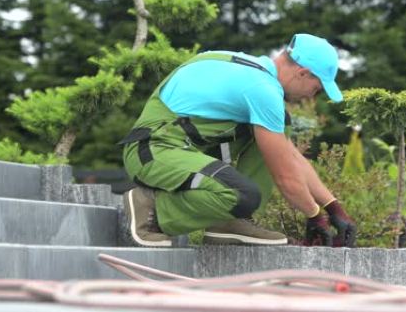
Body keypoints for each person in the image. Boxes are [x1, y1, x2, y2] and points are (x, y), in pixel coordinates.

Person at [119, 33, 357, 247]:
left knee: (276, 127)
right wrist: (315, 216)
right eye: (316, 89)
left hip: (180, 147)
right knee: (240, 194)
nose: (311, 97)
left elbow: (287, 155)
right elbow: (285, 177)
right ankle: (150, 208)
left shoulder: (250, 71)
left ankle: (231, 222)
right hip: (153, 152)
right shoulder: (262, 89)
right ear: (303, 73)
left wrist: (332, 206)